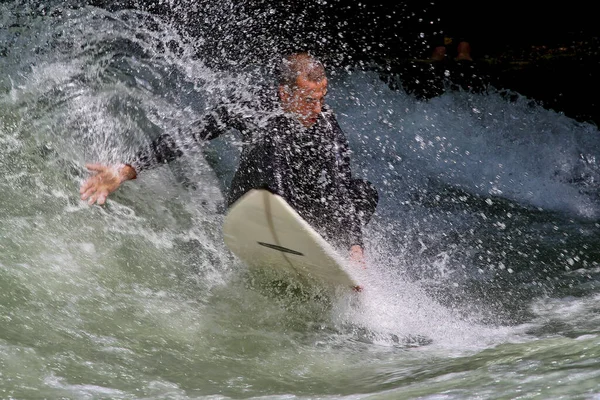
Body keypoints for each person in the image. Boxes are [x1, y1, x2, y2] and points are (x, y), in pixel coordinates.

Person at [80, 52, 378, 268]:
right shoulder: (251, 106)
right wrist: (127, 169)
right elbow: (190, 135)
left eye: (322, 98)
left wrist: (355, 246)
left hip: (298, 207)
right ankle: (290, 228)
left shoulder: (325, 123)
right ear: (284, 93)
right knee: (273, 133)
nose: (318, 108)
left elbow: (340, 187)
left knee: (363, 191)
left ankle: (322, 249)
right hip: (257, 199)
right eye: (309, 100)